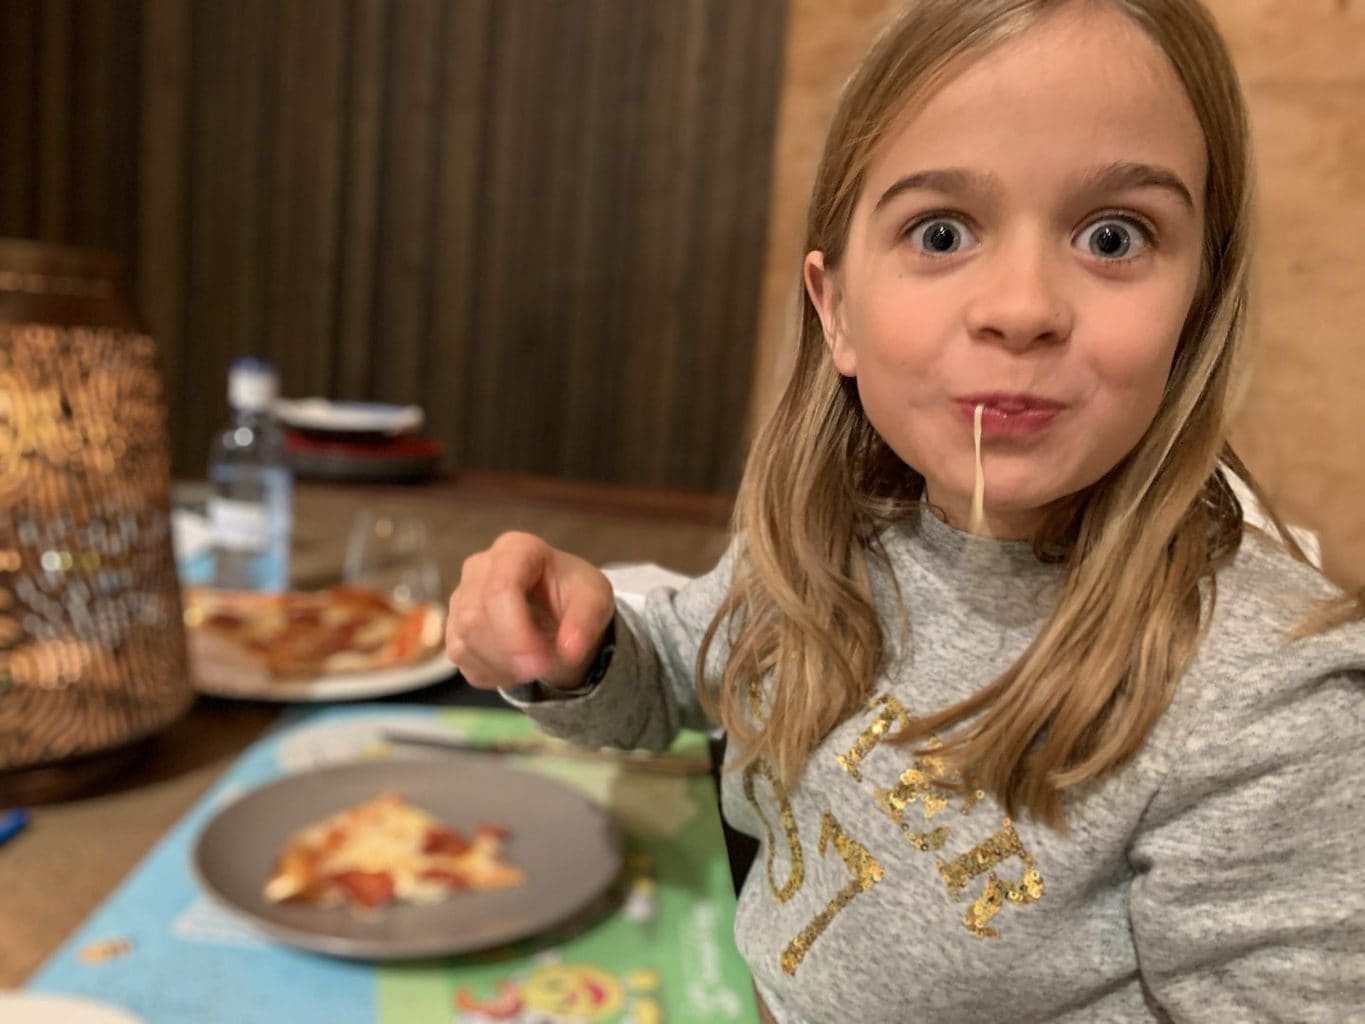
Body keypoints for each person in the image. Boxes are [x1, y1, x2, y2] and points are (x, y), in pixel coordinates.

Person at [445, 0, 1365, 1019]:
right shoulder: (829, 538)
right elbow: (678, 674)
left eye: (1114, 235)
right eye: (941, 231)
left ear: (1198, 306)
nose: (1021, 307)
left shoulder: (1273, 706)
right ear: (836, 309)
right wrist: (579, 644)